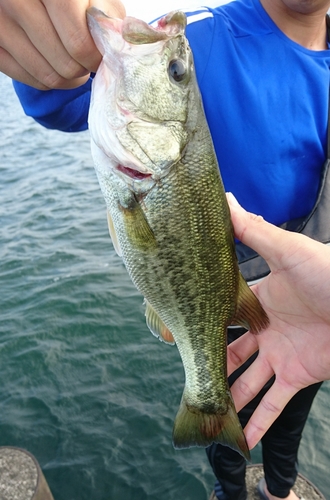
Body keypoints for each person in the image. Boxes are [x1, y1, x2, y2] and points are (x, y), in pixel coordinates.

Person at [2, 1, 330, 499]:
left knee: (289, 411)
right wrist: (49, 47)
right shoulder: (194, 38)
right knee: (224, 401)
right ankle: (231, 491)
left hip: (312, 303)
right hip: (224, 286)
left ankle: (279, 489)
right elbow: (64, 98)